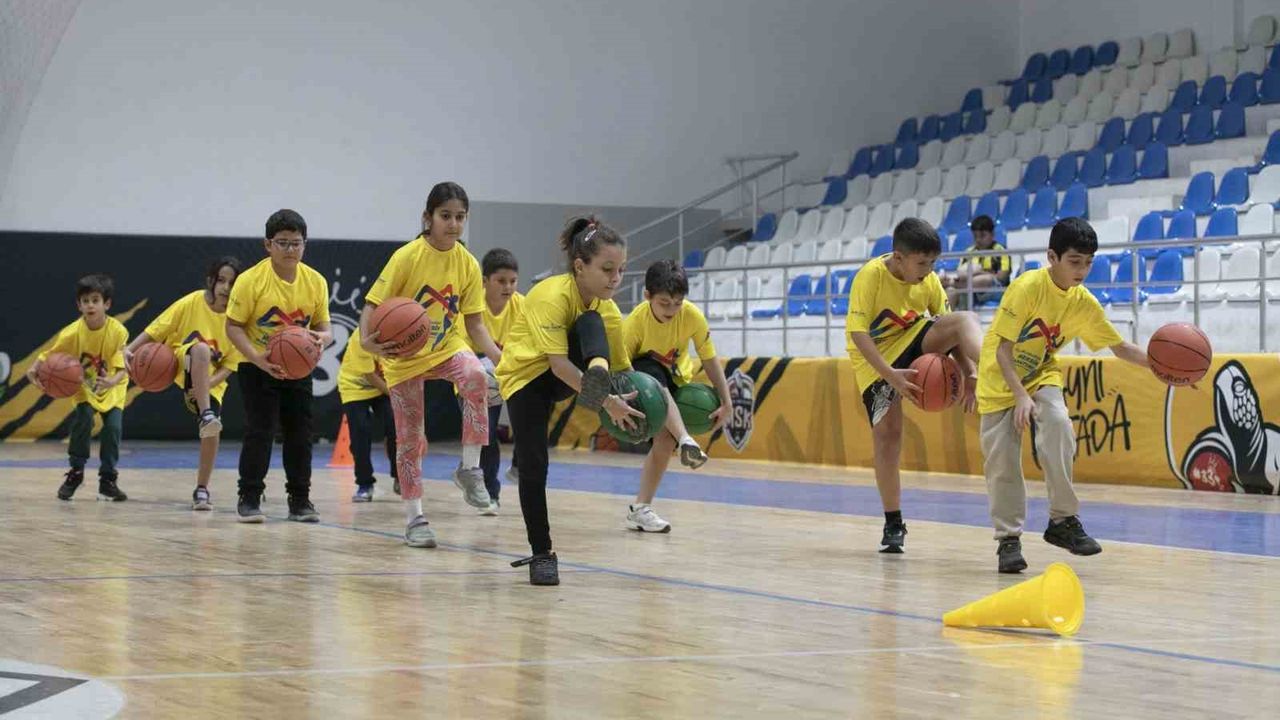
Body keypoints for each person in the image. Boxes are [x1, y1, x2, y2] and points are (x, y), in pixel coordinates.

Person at [977, 217, 1150, 573]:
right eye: (1074, 261)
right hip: (999, 380)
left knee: (1058, 424)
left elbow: (1120, 348)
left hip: (1041, 374)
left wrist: (1163, 368)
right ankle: (1008, 540)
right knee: (1003, 465)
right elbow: (1002, 351)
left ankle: (1062, 521)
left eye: (1088, 263)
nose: (1082, 270)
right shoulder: (1027, 288)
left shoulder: (1082, 302)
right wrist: (1020, 396)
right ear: (1052, 257)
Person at [495, 216, 643, 585]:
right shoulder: (551, 295)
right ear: (579, 266)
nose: (616, 278)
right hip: (526, 377)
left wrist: (651, 404)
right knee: (535, 463)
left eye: (621, 270)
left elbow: (625, 369)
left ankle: (596, 373)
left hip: (573, 375)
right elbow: (558, 366)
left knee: (593, 320)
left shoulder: (607, 308)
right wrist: (606, 401)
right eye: (607, 269)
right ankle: (542, 553)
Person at [360, 182, 500, 547]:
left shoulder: (467, 263)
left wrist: (503, 361)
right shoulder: (407, 257)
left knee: (477, 374)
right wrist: (364, 340)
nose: (453, 224)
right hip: (404, 356)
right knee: (409, 441)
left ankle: (470, 468)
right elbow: (373, 304)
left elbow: (475, 325)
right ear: (428, 218)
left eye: (460, 217)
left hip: (446, 346)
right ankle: (415, 519)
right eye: (445, 216)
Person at [845, 218, 981, 553]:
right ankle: (893, 522)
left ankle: (995, 367)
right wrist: (890, 374)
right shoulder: (870, 276)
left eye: (933, 263)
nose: (928, 270)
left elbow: (950, 330)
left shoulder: (928, 280)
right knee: (888, 440)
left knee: (965, 319)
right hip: (876, 360)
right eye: (922, 263)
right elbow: (858, 334)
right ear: (898, 257)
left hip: (913, 339)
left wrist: (970, 373)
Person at [225, 209, 332, 523]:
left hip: (297, 367)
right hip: (257, 365)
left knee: (300, 433)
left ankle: (300, 499)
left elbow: (325, 327)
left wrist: (322, 339)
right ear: (268, 244)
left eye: (296, 243)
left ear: (305, 244)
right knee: (260, 430)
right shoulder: (250, 281)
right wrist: (258, 358)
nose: (290, 249)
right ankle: (249, 496)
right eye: (282, 243)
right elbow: (233, 326)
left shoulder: (316, 281)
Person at [125, 257, 243, 509]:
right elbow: (156, 329)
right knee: (200, 349)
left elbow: (230, 366)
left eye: (232, 283)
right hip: (179, 362)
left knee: (213, 433)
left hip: (210, 380)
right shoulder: (193, 301)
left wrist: (206, 386)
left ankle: (202, 489)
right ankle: (206, 414)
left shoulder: (237, 319)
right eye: (221, 280)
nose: (226, 287)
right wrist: (130, 349)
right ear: (211, 281)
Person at [620, 259, 729, 532]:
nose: (672, 309)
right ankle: (686, 439)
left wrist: (727, 402)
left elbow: (710, 359)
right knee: (651, 374)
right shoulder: (634, 323)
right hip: (639, 380)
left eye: (677, 303)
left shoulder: (692, 316)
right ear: (647, 296)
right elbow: (621, 368)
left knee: (665, 441)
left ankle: (640, 509)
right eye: (665, 303)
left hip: (677, 379)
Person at [28, 273, 129, 502]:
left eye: (95, 300)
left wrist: (112, 381)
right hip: (85, 385)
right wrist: (34, 368)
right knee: (83, 420)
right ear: (79, 305)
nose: (90, 305)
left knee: (113, 428)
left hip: (113, 384)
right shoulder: (72, 333)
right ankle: (76, 471)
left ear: (107, 304)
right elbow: (51, 354)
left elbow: (123, 366)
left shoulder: (118, 331)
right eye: (85, 301)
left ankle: (108, 479)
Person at [468, 247, 526, 515]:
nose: (508, 287)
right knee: (487, 434)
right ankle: (491, 493)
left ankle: (518, 464)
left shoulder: (523, 306)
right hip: (474, 378)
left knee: (531, 421)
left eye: (513, 281)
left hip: (511, 373)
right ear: (484, 281)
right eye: (501, 281)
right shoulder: (471, 305)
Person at [337, 331, 397, 502]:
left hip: (382, 386)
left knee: (396, 427)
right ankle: (364, 484)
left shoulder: (400, 332)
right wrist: (397, 395)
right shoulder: (361, 337)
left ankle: (400, 476)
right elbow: (370, 376)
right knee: (360, 433)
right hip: (354, 386)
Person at [943, 215, 1011, 309]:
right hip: (971, 289)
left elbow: (1001, 277)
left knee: (985, 279)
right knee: (951, 291)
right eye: (975, 236)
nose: (978, 240)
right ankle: (945, 317)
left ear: (992, 234)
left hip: (995, 289)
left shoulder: (1000, 251)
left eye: (982, 236)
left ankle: (951, 283)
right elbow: (961, 274)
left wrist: (979, 272)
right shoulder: (969, 252)